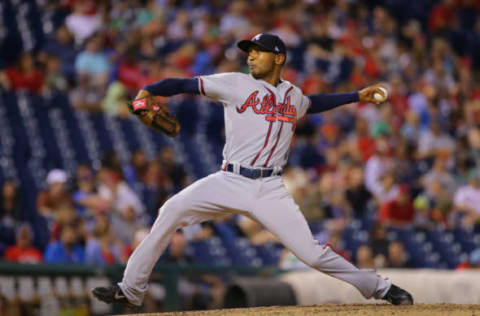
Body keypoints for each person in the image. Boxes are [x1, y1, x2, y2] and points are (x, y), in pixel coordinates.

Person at [92, 33, 413, 307]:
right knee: (171, 209)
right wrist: (150, 89)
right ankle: (130, 290)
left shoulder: (293, 95)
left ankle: (381, 288)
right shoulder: (234, 84)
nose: (250, 57)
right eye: (249, 53)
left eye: (257, 52)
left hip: (269, 190)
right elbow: (184, 84)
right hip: (229, 178)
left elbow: (313, 103)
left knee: (312, 255)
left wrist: (356, 96)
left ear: (278, 58)